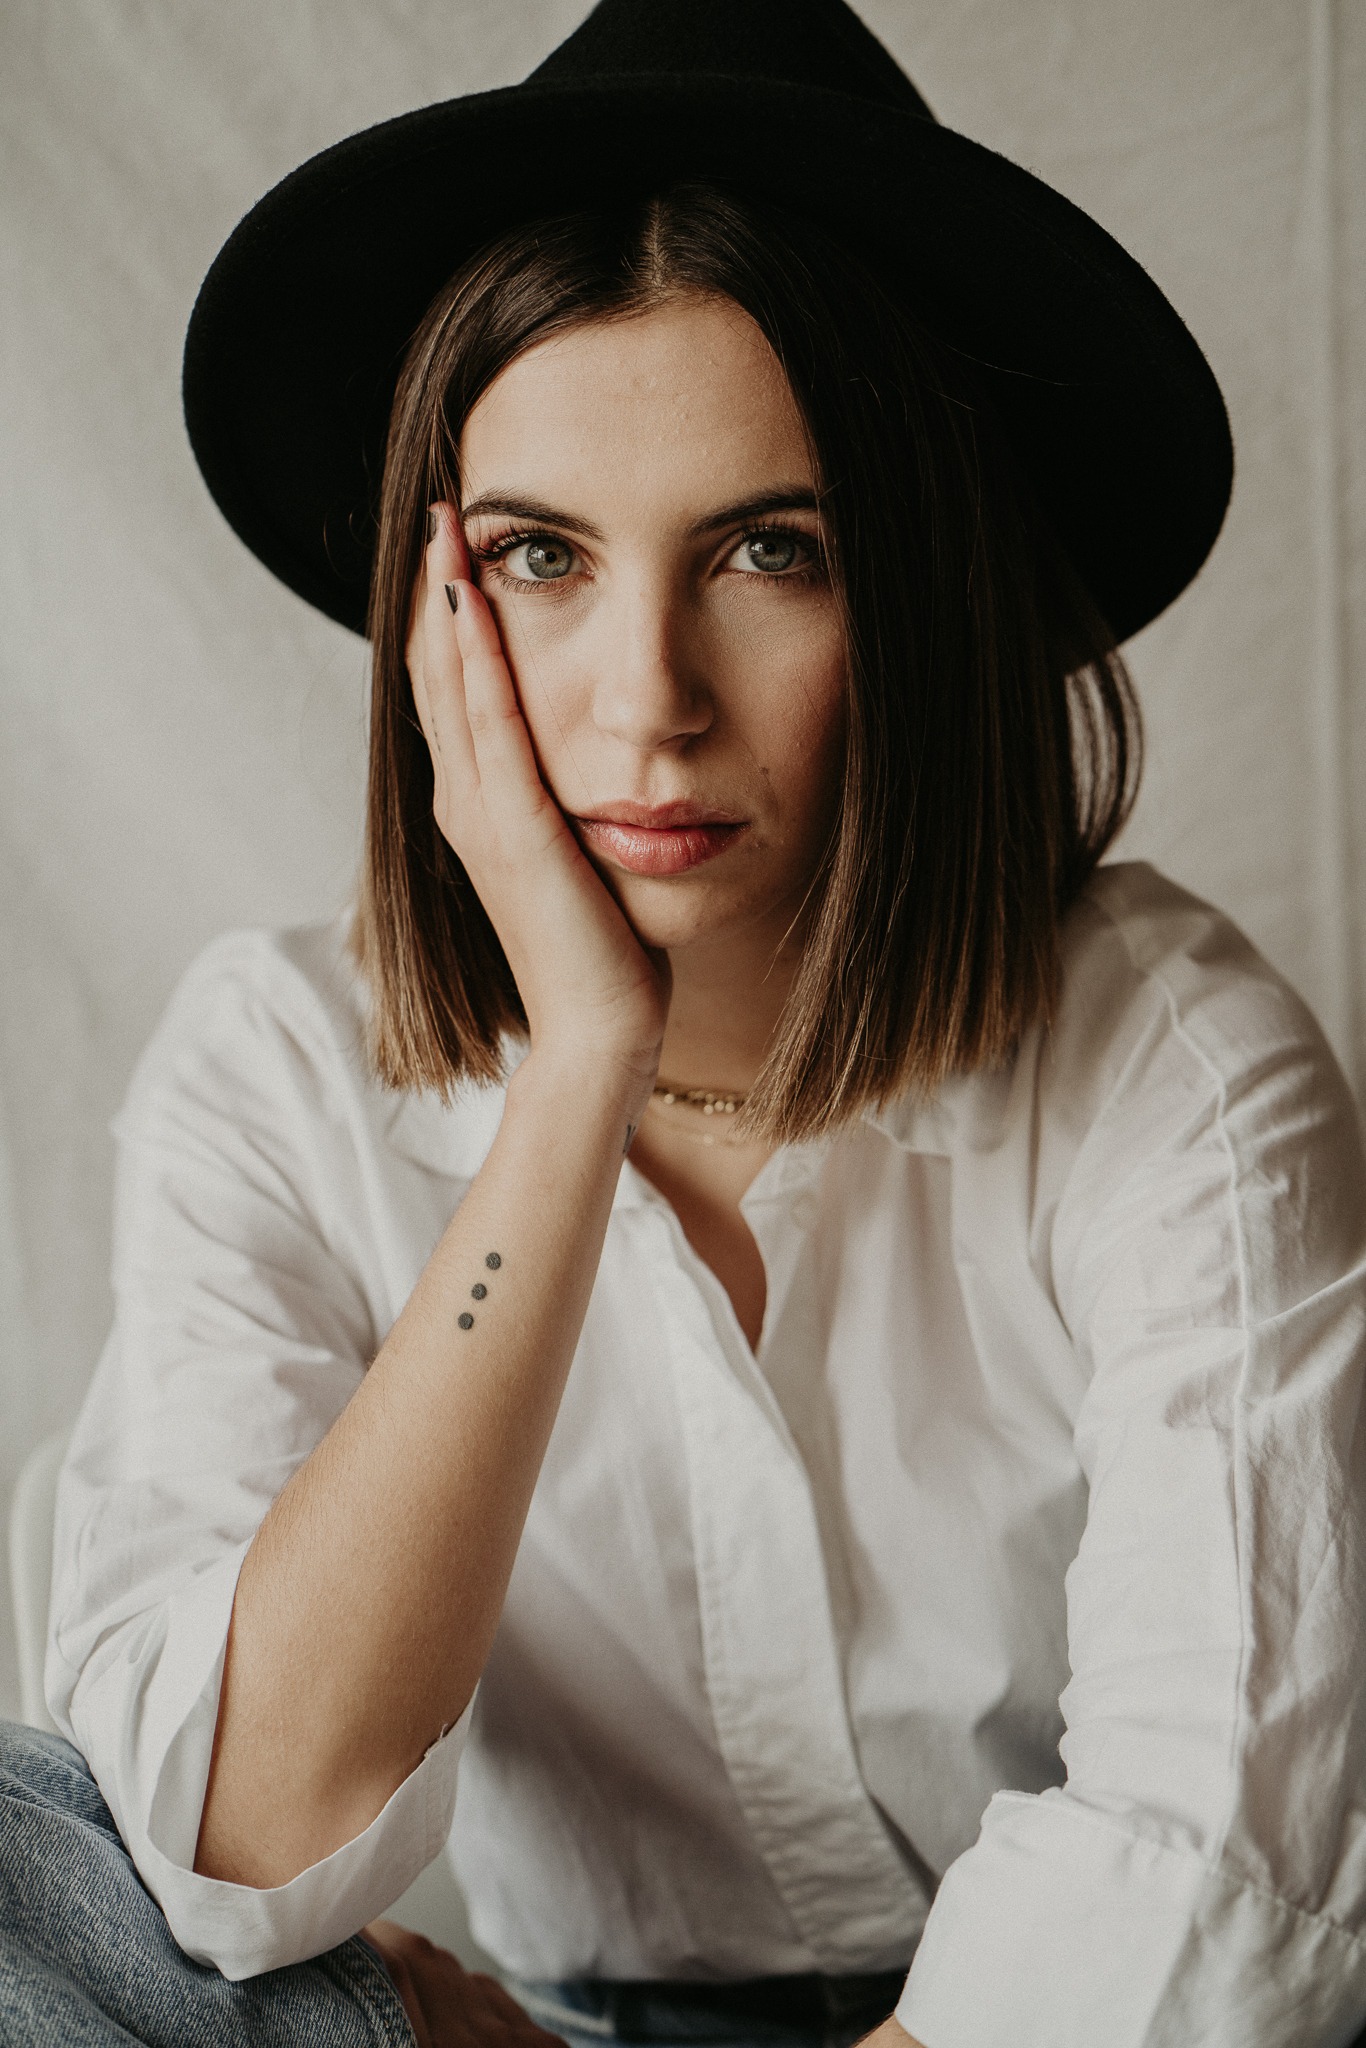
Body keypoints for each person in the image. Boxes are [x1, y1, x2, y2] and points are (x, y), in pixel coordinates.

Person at [3, 2, 1366, 2045]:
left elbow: (1207, 1887)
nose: (647, 694)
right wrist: (572, 1072)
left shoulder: (1170, 1069)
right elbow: (228, 1831)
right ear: (434, 606)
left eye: (768, 551)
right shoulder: (271, 1064)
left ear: (919, 596)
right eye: (541, 555)